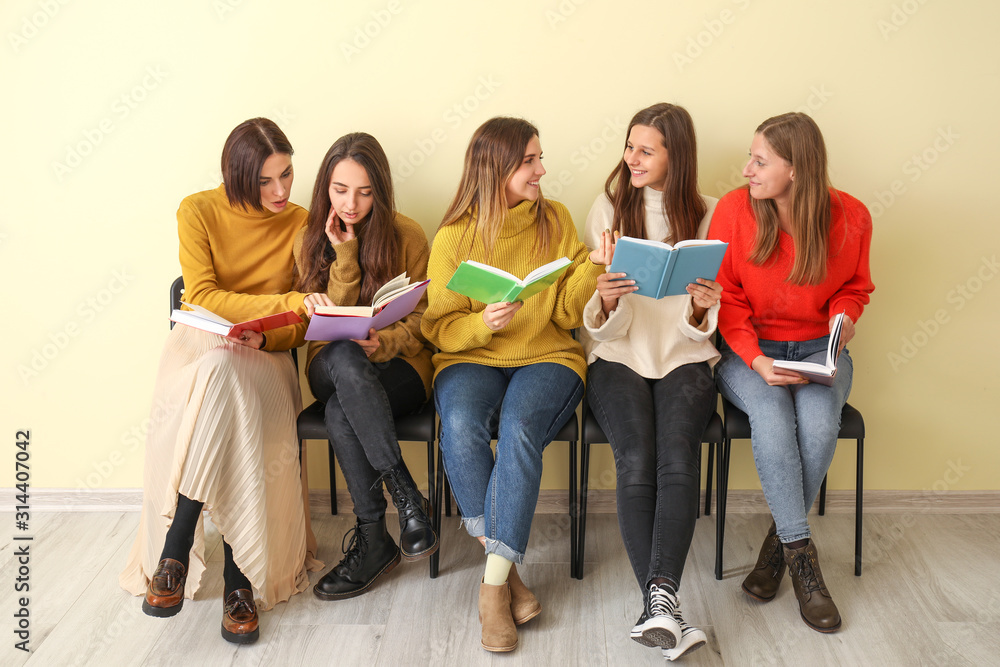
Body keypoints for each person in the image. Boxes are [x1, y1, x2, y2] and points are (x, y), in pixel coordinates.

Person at [120, 118, 330, 643]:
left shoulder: (303, 223)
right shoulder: (197, 211)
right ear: (237, 177)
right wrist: (287, 303)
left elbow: (308, 320)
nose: (282, 191)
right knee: (218, 371)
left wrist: (272, 335)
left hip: (265, 355)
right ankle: (238, 585)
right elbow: (205, 295)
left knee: (230, 378)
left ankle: (177, 546)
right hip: (198, 350)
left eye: (286, 175)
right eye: (266, 181)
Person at [421, 117, 602, 653]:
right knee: (459, 423)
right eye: (530, 161)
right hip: (470, 357)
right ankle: (508, 579)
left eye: (539, 158)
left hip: (547, 354)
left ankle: (490, 590)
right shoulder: (454, 236)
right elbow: (437, 329)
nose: (542, 170)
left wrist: (595, 266)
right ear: (496, 168)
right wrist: (483, 324)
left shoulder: (557, 220)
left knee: (521, 428)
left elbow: (569, 311)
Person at [709, 112, 874, 633]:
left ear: (797, 169)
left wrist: (843, 320)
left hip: (816, 351)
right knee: (773, 418)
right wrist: (756, 361)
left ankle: (776, 550)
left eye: (760, 161)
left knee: (822, 426)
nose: (746, 169)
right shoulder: (736, 211)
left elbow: (855, 287)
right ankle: (804, 564)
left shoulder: (853, 216)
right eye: (750, 158)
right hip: (748, 350)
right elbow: (726, 297)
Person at [580, 103, 718, 660]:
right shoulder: (608, 208)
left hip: (685, 356)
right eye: (629, 146)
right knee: (636, 459)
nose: (631, 158)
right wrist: (609, 296)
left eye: (646, 150)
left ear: (674, 156)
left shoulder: (708, 213)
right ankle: (663, 604)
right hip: (618, 354)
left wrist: (701, 308)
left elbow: (708, 323)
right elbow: (595, 320)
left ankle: (658, 608)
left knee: (678, 459)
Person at [293, 132, 438, 600]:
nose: (351, 203)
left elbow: (425, 319)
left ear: (381, 189)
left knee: (340, 413)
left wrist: (386, 340)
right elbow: (328, 323)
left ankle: (375, 539)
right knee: (342, 352)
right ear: (325, 188)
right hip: (330, 364)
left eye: (364, 191)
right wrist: (346, 257)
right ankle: (406, 495)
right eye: (340, 190)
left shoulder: (408, 234)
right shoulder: (309, 240)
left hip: (398, 368)